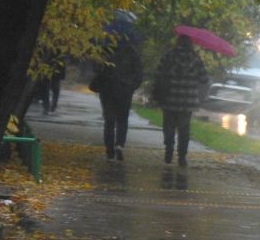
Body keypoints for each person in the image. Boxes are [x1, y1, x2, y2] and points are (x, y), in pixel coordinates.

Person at [151, 36, 212, 165]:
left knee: (169, 127)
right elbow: (204, 79)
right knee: (184, 129)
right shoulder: (195, 58)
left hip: (170, 99)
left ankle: (169, 151)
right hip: (187, 101)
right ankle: (182, 157)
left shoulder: (169, 56)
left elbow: (158, 73)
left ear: (178, 42)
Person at [91, 33, 144, 160]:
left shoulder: (106, 50)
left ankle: (109, 150)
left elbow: (96, 68)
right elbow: (139, 73)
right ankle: (119, 144)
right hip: (125, 90)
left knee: (109, 120)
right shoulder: (132, 53)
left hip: (107, 88)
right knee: (122, 119)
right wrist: (132, 86)